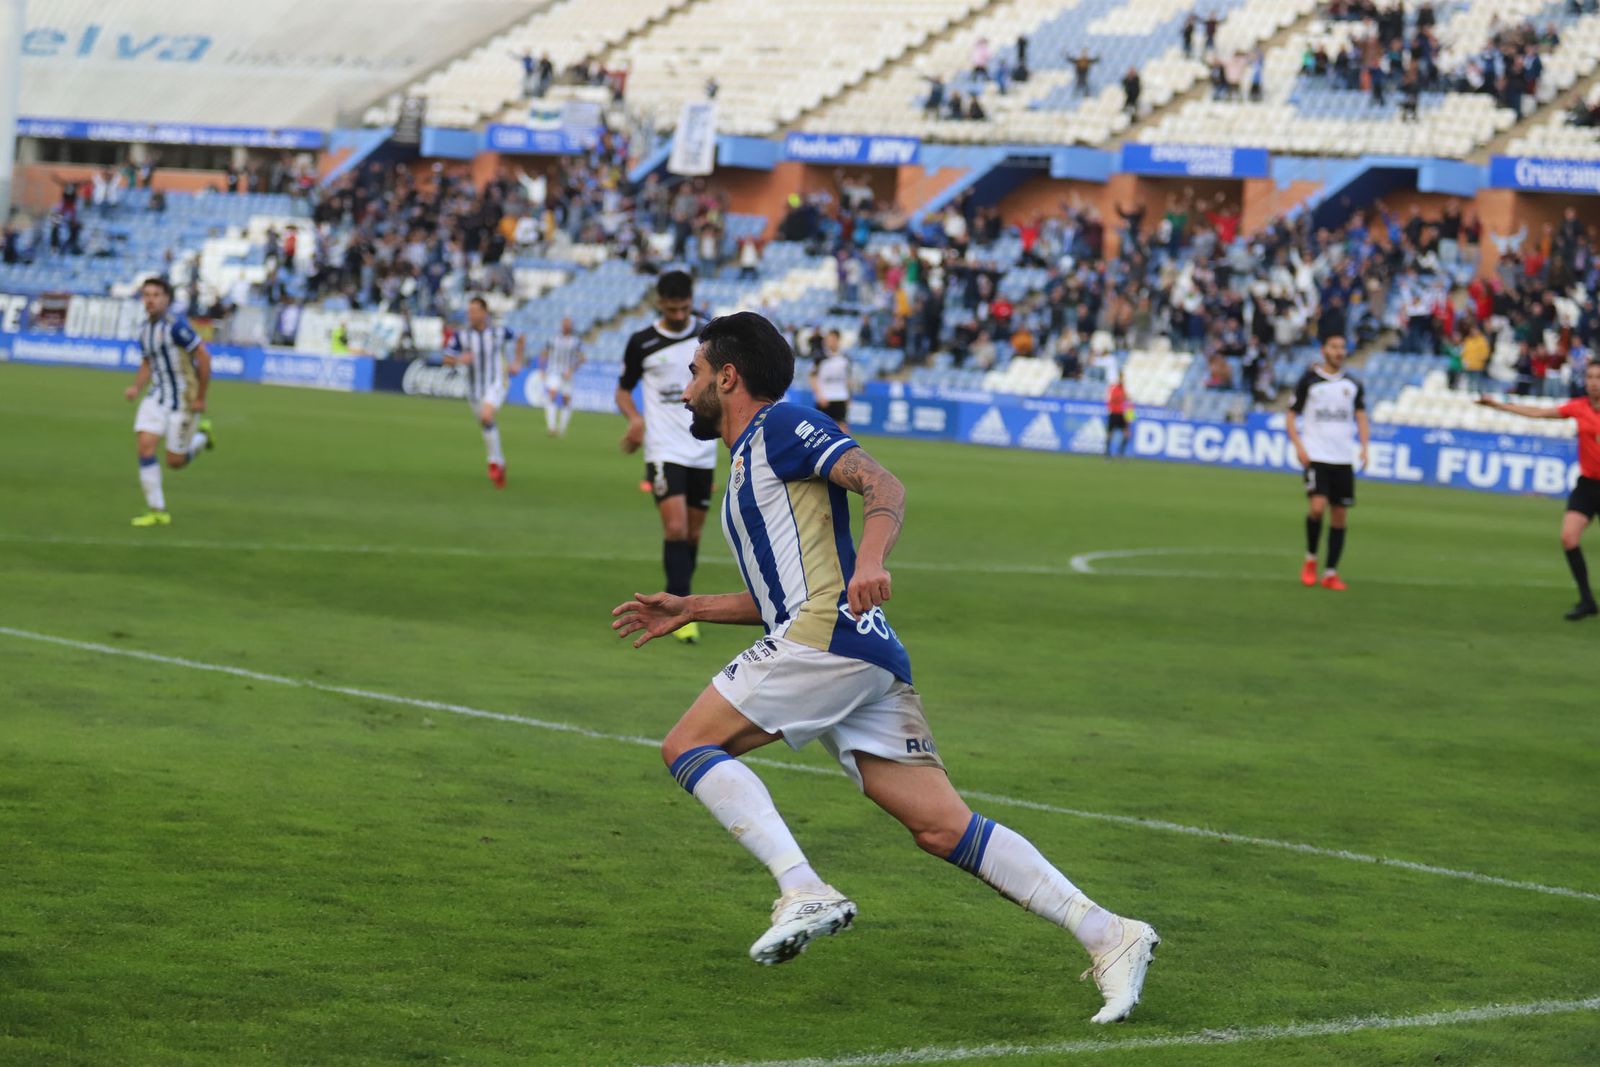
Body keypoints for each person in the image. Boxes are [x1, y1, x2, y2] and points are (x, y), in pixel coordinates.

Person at [610, 312, 1159, 1022]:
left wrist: (872, 560)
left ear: (727, 376)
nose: (683, 390)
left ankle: (802, 885)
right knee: (941, 827)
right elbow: (787, 593)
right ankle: (1109, 932)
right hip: (853, 646)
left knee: (688, 744)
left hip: (830, 640)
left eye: (691, 373)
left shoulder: (780, 427)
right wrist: (692, 607)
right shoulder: (746, 456)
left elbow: (883, 483)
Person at [616, 270, 716, 645]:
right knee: (674, 529)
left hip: (702, 448)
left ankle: (679, 598)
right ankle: (682, 615)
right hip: (663, 448)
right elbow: (623, 391)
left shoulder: (709, 337)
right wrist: (635, 418)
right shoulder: (641, 342)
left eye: (684, 308)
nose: (678, 315)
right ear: (659, 303)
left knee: (692, 533)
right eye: (671, 308)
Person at [1478, 361, 1600, 620]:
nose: (1593, 382)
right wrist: (1500, 405)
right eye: (1590, 376)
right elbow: (1539, 413)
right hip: (1588, 485)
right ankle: (1587, 601)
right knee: (1569, 538)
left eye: (1598, 377)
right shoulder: (1579, 407)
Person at [123, 277, 215, 527]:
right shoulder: (144, 329)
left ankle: (202, 440)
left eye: (155, 295)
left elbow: (204, 357)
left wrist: (200, 397)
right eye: (146, 295)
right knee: (145, 447)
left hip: (184, 401)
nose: (150, 299)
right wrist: (136, 387)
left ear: (166, 299)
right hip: (157, 396)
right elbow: (148, 361)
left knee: (174, 462)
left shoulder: (176, 327)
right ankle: (157, 510)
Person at [1286, 334, 1370, 590]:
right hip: (1316, 455)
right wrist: (1299, 446)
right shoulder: (1309, 381)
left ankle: (1331, 572)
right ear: (1323, 350)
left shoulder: (1353, 384)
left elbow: (1361, 416)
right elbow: (1290, 416)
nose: (1339, 351)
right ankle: (1311, 558)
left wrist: (1365, 447)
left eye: (1342, 347)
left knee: (1340, 515)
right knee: (1317, 508)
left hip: (1343, 458)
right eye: (1334, 347)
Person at [442, 296, 524, 489]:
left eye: (474, 311)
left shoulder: (498, 332)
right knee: (486, 423)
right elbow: (447, 358)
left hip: (497, 382)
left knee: (487, 416)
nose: (470, 315)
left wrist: (517, 362)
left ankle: (493, 462)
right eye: (469, 311)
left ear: (484, 313)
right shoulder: (461, 336)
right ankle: (500, 463)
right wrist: (460, 359)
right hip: (474, 389)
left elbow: (521, 337)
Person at [541, 316, 585, 438]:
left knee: (566, 400)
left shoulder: (576, 341)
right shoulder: (553, 339)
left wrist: (571, 370)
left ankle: (562, 429)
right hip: (554, 372)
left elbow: (582, 358)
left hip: (567, 374)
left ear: (571, 326)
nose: (565, 326)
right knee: (552, 395)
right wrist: (542, 369)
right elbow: (544, 353)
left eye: (568, 324)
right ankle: (552, 427)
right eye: (564, 324)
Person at [809, 329, 852, 432]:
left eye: (833, 339)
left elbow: (848, 378)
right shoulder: (819, 357)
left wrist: (849, 396)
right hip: (825, 397)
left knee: (842, 427)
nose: (830, 342)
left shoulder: (845, 358)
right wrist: (819, 395)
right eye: (828, 339)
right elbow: (812, 377)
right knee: (820, 427)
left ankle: (847, 447)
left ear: (838, 340)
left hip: (840, 396)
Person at [1105, 372, 1130, 458]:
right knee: (1109, 434)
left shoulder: (1123, 389)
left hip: (1122, 414)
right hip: (1114, 413)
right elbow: (1112, 399)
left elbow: (1128, 403)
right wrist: (1122, 397)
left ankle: (1120, 452)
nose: (1122, 379)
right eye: (1121, 377)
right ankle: (1107, 453)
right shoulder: (1113, 388)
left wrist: (1129, 415)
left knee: (1127, 434)